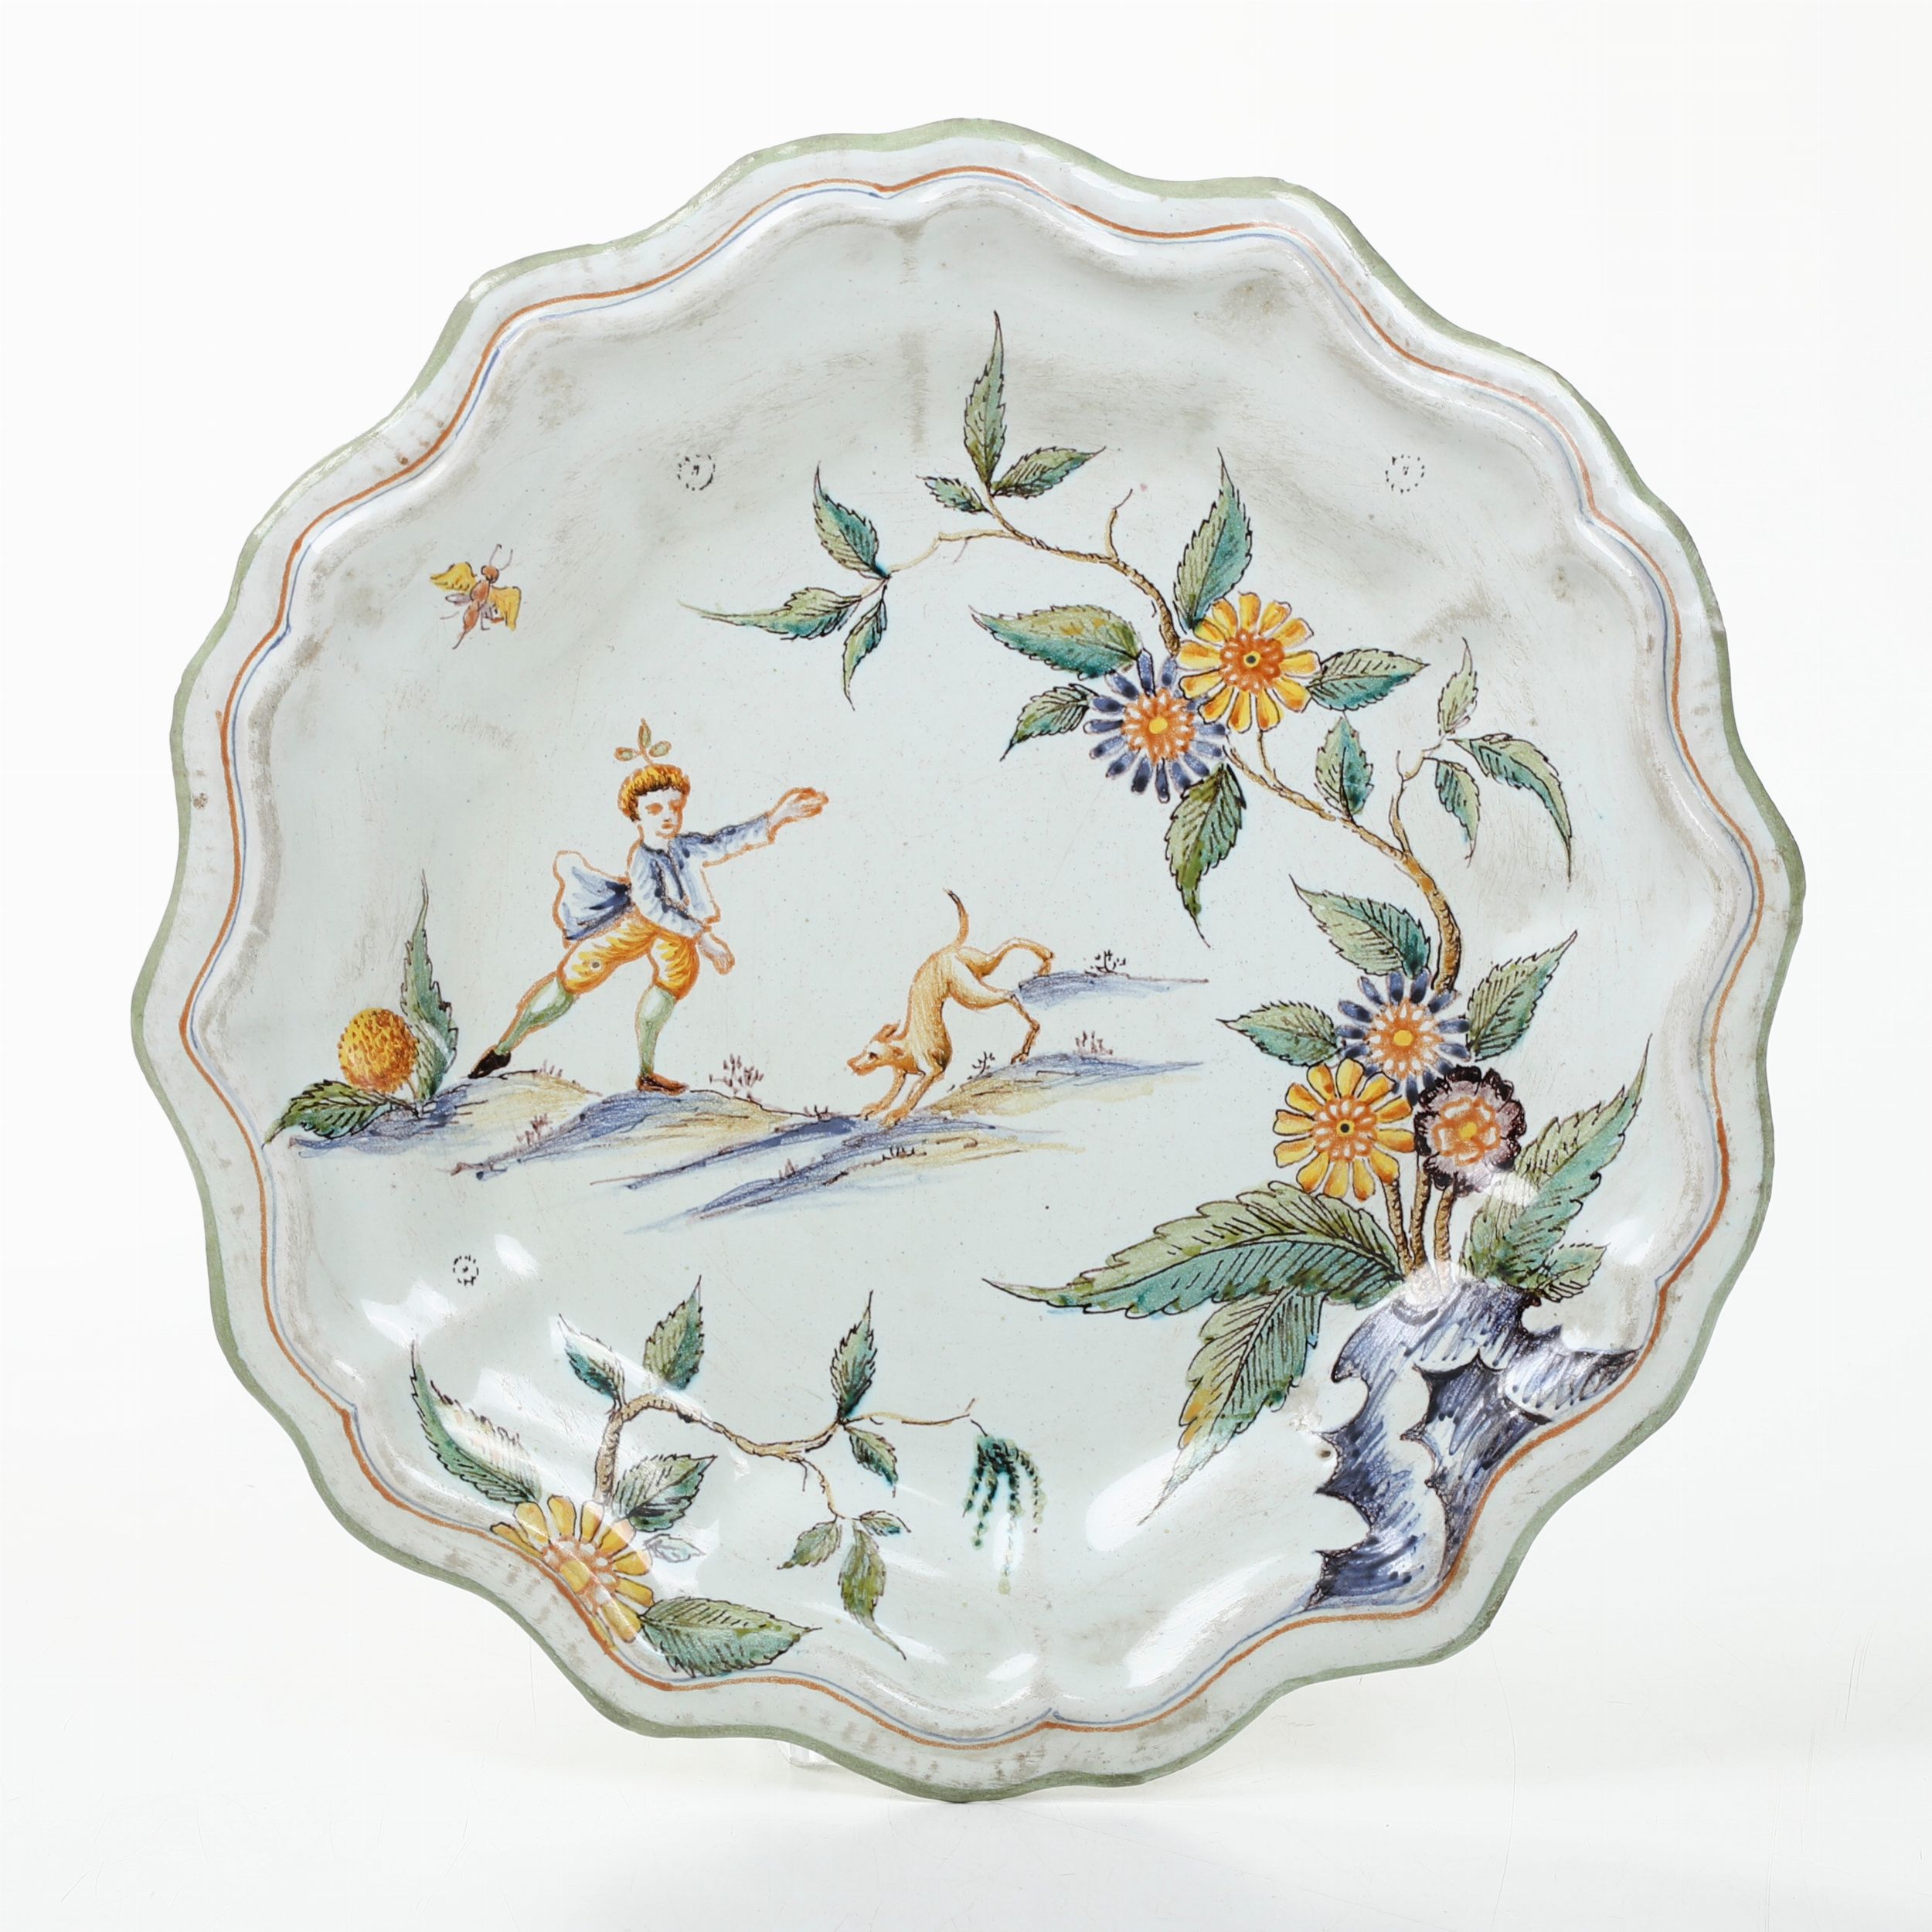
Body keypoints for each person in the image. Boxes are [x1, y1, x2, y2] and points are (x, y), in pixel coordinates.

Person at [468, 762, 828, 1093]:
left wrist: (777, 817)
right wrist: (704, 938)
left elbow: (723, 842)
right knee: (574, 978)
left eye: (675, 806)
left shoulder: (686, 847)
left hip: (676, 929)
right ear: (636, 816)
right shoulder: (642, 859)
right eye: (655, 809)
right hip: (633, 925)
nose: (668, 816)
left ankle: (646, 1073)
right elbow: (654, 908)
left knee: (676, 980)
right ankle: (504, 1048)